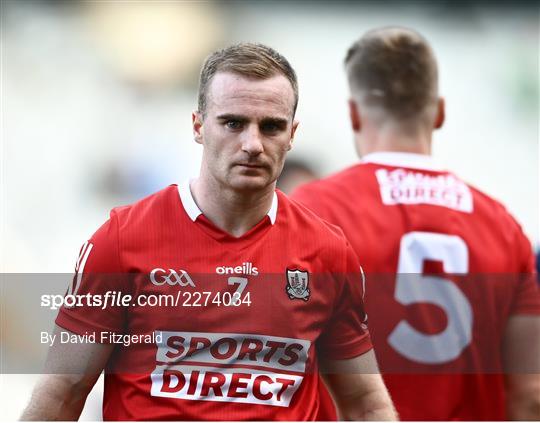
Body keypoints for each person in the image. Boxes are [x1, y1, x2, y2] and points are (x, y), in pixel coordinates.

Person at [21, 43, 396, 421]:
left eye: (271, 126)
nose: (252, 144)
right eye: (233, 123)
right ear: (199, 126)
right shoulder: (121, 241)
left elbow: (365, 403)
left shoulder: (328, 252)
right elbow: (60, 397)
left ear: (292, 134)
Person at [292, 27, 540, 420]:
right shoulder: (503, 225)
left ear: (354, 113)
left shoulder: (309, 211)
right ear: (439, 111)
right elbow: (530, 393)